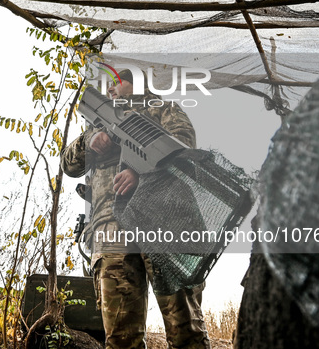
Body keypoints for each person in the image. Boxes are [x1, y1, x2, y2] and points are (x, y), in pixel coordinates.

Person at [61, 69, 211, 349]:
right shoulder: (98, 125)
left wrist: (140, 173)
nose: (111, 89)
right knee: (120, 335)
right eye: (108, 85)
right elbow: (68, 165)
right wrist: (88, 142)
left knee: (185, 327)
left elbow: (184, 145)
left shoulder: (162, 109)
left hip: (164, 223)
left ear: (138, 83)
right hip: (112, 229)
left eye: (119, 82)